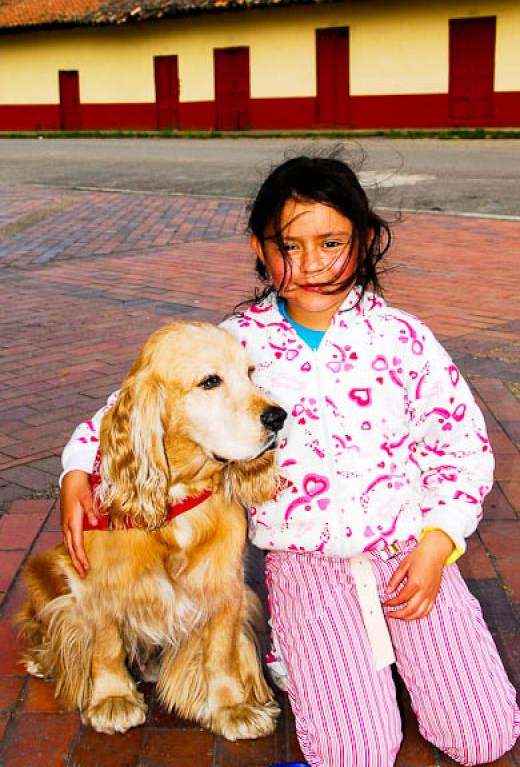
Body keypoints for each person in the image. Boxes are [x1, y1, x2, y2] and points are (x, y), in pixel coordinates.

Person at [60, 155, 519, 767]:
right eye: (289, 245)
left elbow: (462, 451)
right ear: (260, 246)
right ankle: (311, 654)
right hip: (307, 565)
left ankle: (406, 660)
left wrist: (439, 544)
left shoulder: (404, 338)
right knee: (352, 754)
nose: (309, 265)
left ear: (364, 240)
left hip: (410, 552)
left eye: (331, 242)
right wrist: (74, 472)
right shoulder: (235, 341)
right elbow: (121, 411)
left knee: (484, 737)